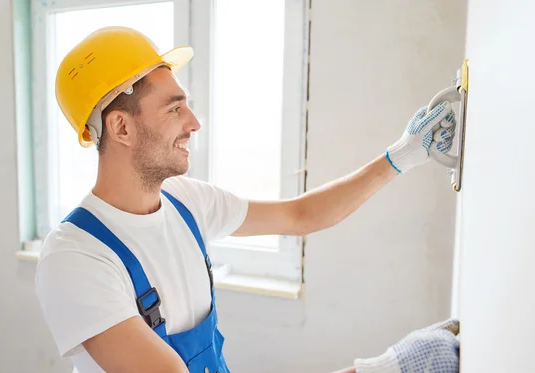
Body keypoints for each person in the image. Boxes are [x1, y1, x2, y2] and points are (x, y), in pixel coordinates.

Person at [34, 26, 460, 373]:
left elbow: (299, 214)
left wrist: (403, 155)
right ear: (121, 128)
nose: (194, 123)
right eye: (173, 109)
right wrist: (378, 371)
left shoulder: (185, 203)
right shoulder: (75, 258)